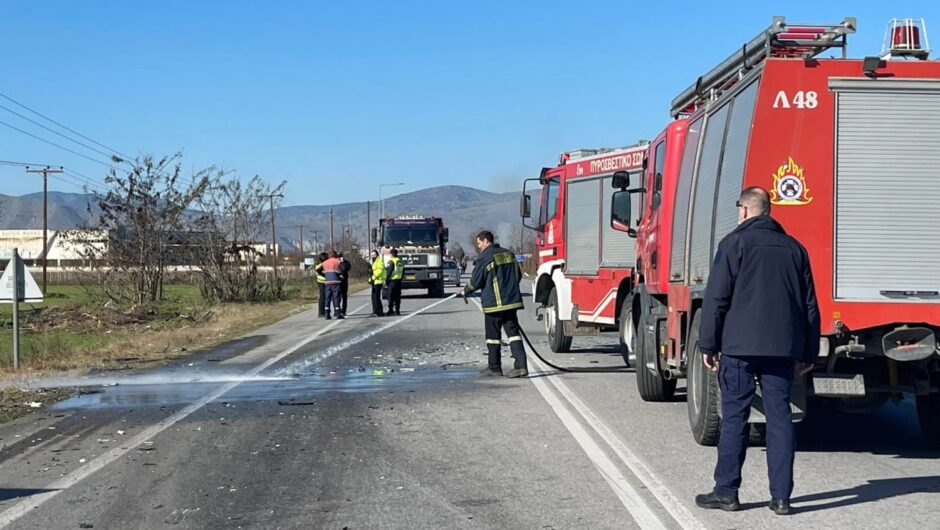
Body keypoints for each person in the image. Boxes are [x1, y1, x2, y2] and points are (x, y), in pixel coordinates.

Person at [694, 187, 820, 516]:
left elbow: (716, 298)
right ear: (769, 212)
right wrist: (808, 352)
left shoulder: (734, 244)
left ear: (745, 211)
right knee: (780, 419)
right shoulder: (796, 250)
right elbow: (809, 306)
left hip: (738, 348)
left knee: (735, 417)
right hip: (782, 349)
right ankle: (781, 498)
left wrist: (708, 343)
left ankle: (727, 492)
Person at [458, 230, 528, 378]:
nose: (478, 247)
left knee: (493, 337)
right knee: (513, 334)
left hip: (494, 304)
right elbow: (518, 275)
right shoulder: (508, 254)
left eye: (479, 243)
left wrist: (466, 290)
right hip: (511, 302)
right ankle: (521, 366)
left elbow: (476, 281)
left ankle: (495, 367)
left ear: (485, 241)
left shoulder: (485, 257)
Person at [320, 251, 344, 320]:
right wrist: (341, 275)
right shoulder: (337, 261)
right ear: (335, 255)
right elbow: (343, 268)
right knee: (336, 298)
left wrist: (325, 275)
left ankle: (327, 314)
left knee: (327, 298)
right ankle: (338, 313)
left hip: (327, 282)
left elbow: (318, 270)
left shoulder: (325, 262)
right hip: (336, 282)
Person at [368, 249, 387, 317]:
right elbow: (372, 272)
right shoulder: (374, 261)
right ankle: (377, 311)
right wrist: (370, 279)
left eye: (374, 255)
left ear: (377, 255)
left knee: (376, 297)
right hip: (375, 281)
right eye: (372, 255)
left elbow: (379, 270)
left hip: (378, 281)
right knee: (374, 297)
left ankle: (377, 311)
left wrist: (373, 278)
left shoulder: (379, 261)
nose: (373, 256)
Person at [386, 248, 404, 316]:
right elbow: (402, 271)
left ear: (391, 254)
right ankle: (397, 310)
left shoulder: (391, 261)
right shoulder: (400, 261)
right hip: (398, 281)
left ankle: (391, 310)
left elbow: (389, 272)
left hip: (392, 281)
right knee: (397, 296)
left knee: (390, 296)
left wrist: (386, 280)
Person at [314, 252, 328, 318]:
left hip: (323, 281)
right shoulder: (321, 264)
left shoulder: (319, 263)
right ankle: (321, 312)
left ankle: (325, 311)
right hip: (321, 281)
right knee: (322, 297)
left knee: (325, 297)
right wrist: (325, 276)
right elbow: (318, 271)